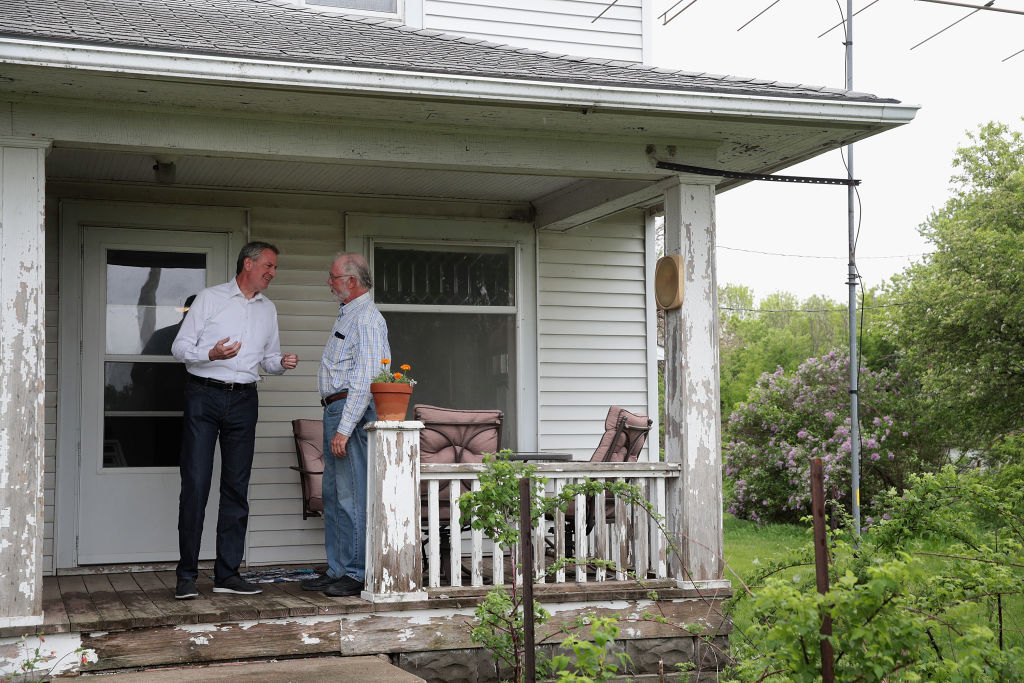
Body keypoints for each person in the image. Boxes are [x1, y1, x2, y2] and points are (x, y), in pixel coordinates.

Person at [170, 242, 299, 600]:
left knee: (236, 488)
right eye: (269, 266)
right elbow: (179, 348)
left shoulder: (267, 309)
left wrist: (281, 363)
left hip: (244, 399)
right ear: (248, 263)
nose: (273, 272)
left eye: (274, 268)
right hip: (204, 395)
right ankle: (186, 576)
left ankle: (226, 573)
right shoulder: (210, 299)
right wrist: (210, 353)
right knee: (196, 485)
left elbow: (268, 360)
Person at [300, 252, 389, 598]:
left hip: (349, 412)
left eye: (334, 277)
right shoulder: (349, 315)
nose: (330, 283)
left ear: (352, 281)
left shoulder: (366, 319)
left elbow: (367, 378)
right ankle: (338, 568)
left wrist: (345, 427)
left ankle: (356, 571)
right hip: (334, 410)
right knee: (335, 496)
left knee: (352, 495)